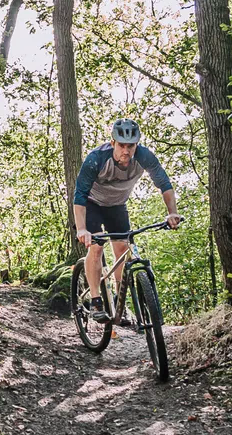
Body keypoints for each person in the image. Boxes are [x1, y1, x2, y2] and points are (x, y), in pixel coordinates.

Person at [73, 118, 182, 315]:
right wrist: (81, 229)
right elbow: (79, 195)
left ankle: (119, 302)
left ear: (136, 145)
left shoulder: (144, 156)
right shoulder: (97, 158)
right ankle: (96, 300)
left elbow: (164, 184)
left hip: (117, 205)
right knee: (97, 247)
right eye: (121, 145)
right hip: (91, 204)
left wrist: (172, 212)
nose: (126, 150)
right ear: (113, 143)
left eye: (130, 146)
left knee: (123, 249)